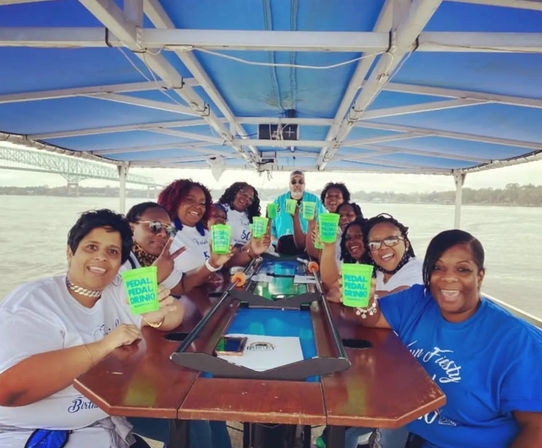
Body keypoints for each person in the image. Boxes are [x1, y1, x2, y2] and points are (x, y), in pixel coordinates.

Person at [341, 229, 542, 448]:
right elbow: (375, 318)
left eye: (463, 269)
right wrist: (363, 300)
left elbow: (537, 428)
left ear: (480, 276)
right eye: (437, 267)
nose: (448, 277)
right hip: (408, 432)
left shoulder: (518, 341)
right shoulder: (419, 300)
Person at [0, 209, 183, 448]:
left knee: (193, 420)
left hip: (109, 420)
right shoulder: (35, 301)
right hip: (41, 432)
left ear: (120, 263)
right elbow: (10, 390)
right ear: (70, 252)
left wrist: (159, 317)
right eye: (91, 247)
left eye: (112, 252)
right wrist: (103, 346)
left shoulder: (119, 288)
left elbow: (175, 313)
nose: (101, 257)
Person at [158, 179, 234, 296]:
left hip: (209, 296)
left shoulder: (206, 232)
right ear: (174, 201)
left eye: (202, 203)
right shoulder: (165, 232)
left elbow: (213, 265)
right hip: (179, 302)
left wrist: (208, 272)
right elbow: (175, 284)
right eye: (190, 200)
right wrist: (208, 269)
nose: (197, 206)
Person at [124, 201, 185, 289]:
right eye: (155, 226)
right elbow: (124, 300)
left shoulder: (153, 258)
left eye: (168, 229)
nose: (163, 234)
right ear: (131, 228)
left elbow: (181, 286)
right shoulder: (120, 260)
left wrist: (210, 264)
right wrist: (155, 276)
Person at [364, 213, 422, 297]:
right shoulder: (375, 275)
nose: (383, 247)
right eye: (374, 244)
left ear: (406, 244)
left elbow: (401, 295)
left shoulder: (419, 270)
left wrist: (352, 295)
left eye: (391, 240)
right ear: (370, 253)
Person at [270, 170, 325, 254]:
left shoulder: (314, 200)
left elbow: (322, 225)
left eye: (301, 182)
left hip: (307, 249)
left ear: (304, 185)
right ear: (289, 185)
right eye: (293, 182)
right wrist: (275, 242)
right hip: (281, 248)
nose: (297, 185)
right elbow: (270, 227)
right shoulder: (278, 201)